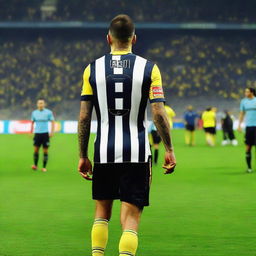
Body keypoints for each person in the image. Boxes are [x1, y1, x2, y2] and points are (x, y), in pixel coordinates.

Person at [77, 14, 176, 256]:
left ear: (108, 38)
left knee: (101, 213)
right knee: (131, 217)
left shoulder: (92, 69)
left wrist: (83, 154)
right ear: (134, 39)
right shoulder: (150, 68)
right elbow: (159, 114)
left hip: (103, 152)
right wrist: (169, 149)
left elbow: (84, 117)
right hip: (137, 152)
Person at [30, 99, 55, 172]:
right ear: (37, 104)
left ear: (44, 104)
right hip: (37, 134)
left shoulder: (48, 112)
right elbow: (32, 122)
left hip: (45, 134)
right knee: (36, 150)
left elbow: (53, 122)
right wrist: (31, 132)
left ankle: (44, 167)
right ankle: (35, 165)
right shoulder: (34, 113)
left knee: (45, 151)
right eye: (39, 103)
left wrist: (52, 132)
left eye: (42, 103)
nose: (40, 104)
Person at [238, 87, 256, 173]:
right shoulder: (243, 102)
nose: (245, 93)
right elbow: (241, 114)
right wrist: (239, 125)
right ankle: (249, 168)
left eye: (247, 91)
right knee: (248, 147)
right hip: (248, 127)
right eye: (245, 91)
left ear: (252, 92)